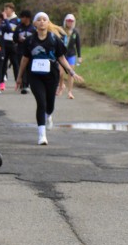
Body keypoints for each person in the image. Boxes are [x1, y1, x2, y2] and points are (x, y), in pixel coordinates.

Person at [15, 12, 84, 145]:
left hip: (51, 75)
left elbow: (61, 58)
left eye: (44, 19)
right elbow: (24, 59)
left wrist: (71, 72)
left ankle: (49, 115)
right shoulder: (30, 40)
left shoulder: (54, 39)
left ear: (48, 23)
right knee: (41, 103)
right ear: (35, 23)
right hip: (35, 76)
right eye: (39, 20)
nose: (42, 21)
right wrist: (19, 77)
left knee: (49, 105)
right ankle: (42, 135)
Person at [57, 13, 82, 99]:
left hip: (71, 54)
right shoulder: (61, 30)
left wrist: (79, 56)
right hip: (61, 54)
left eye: (71, 21)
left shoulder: (75, 32)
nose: (69, 23)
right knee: (60, 72)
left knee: (71, 73)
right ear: (65, 21)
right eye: (68, 21)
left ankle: (70, 92)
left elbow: (78, 45)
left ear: (74, 22)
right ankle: (61, 86)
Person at [0, 3, 21, 93]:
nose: (5, 11)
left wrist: (6, 20)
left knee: (15, 63)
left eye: (7, 9)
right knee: (3, 63)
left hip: (13, 44)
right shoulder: (3, 20)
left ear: (12, 10)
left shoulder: (16, 20)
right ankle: (1, 82)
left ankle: (18, 82)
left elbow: (11, 30)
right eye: (4, 9)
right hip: (4, 43)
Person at [14, 10, 36, 95]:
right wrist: (18, 39)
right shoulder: (19, 27)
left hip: (31, 51)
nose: (21, 19)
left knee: (29, 68)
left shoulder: (33, 28)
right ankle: (24, 85)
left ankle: (28, 84)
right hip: (21, 50)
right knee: (22, 67)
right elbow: (14, 38)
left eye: (22, 17)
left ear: (27, 18)